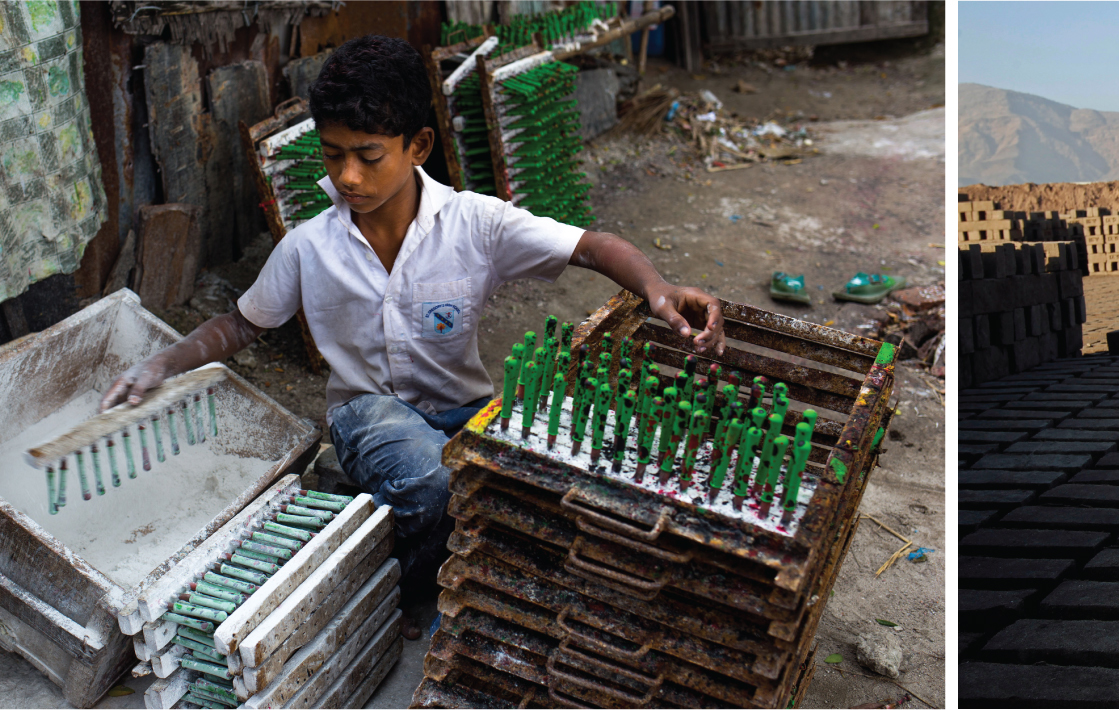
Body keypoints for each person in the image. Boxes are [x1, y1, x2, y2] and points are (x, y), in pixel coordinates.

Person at [98, 35, 725, 637]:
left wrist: (657, 289)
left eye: (368, 155)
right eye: (332, 153)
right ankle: (407, 588)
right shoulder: (309, 247)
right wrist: (165, 363)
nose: (347, 176)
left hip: (463, 407)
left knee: (541, 477)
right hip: (367, 413)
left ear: (419, 145)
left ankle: (441, 551)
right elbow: (240, 323)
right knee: (433, 481)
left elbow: (591, 246)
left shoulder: (475, 224)